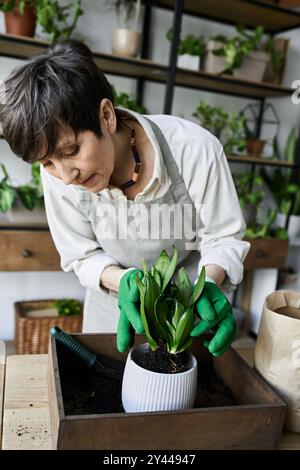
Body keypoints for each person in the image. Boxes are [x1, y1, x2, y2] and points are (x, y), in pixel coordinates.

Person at [0, 40, 250, 356]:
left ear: (106, 115)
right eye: (47, 163)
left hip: (189, 314)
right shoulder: (59, 175)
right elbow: (81, 255)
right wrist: (125, 281)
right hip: (113, 310)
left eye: (72, 151)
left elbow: (223, 237)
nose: (65, 176)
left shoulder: (193, 149)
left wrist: (208, 285)